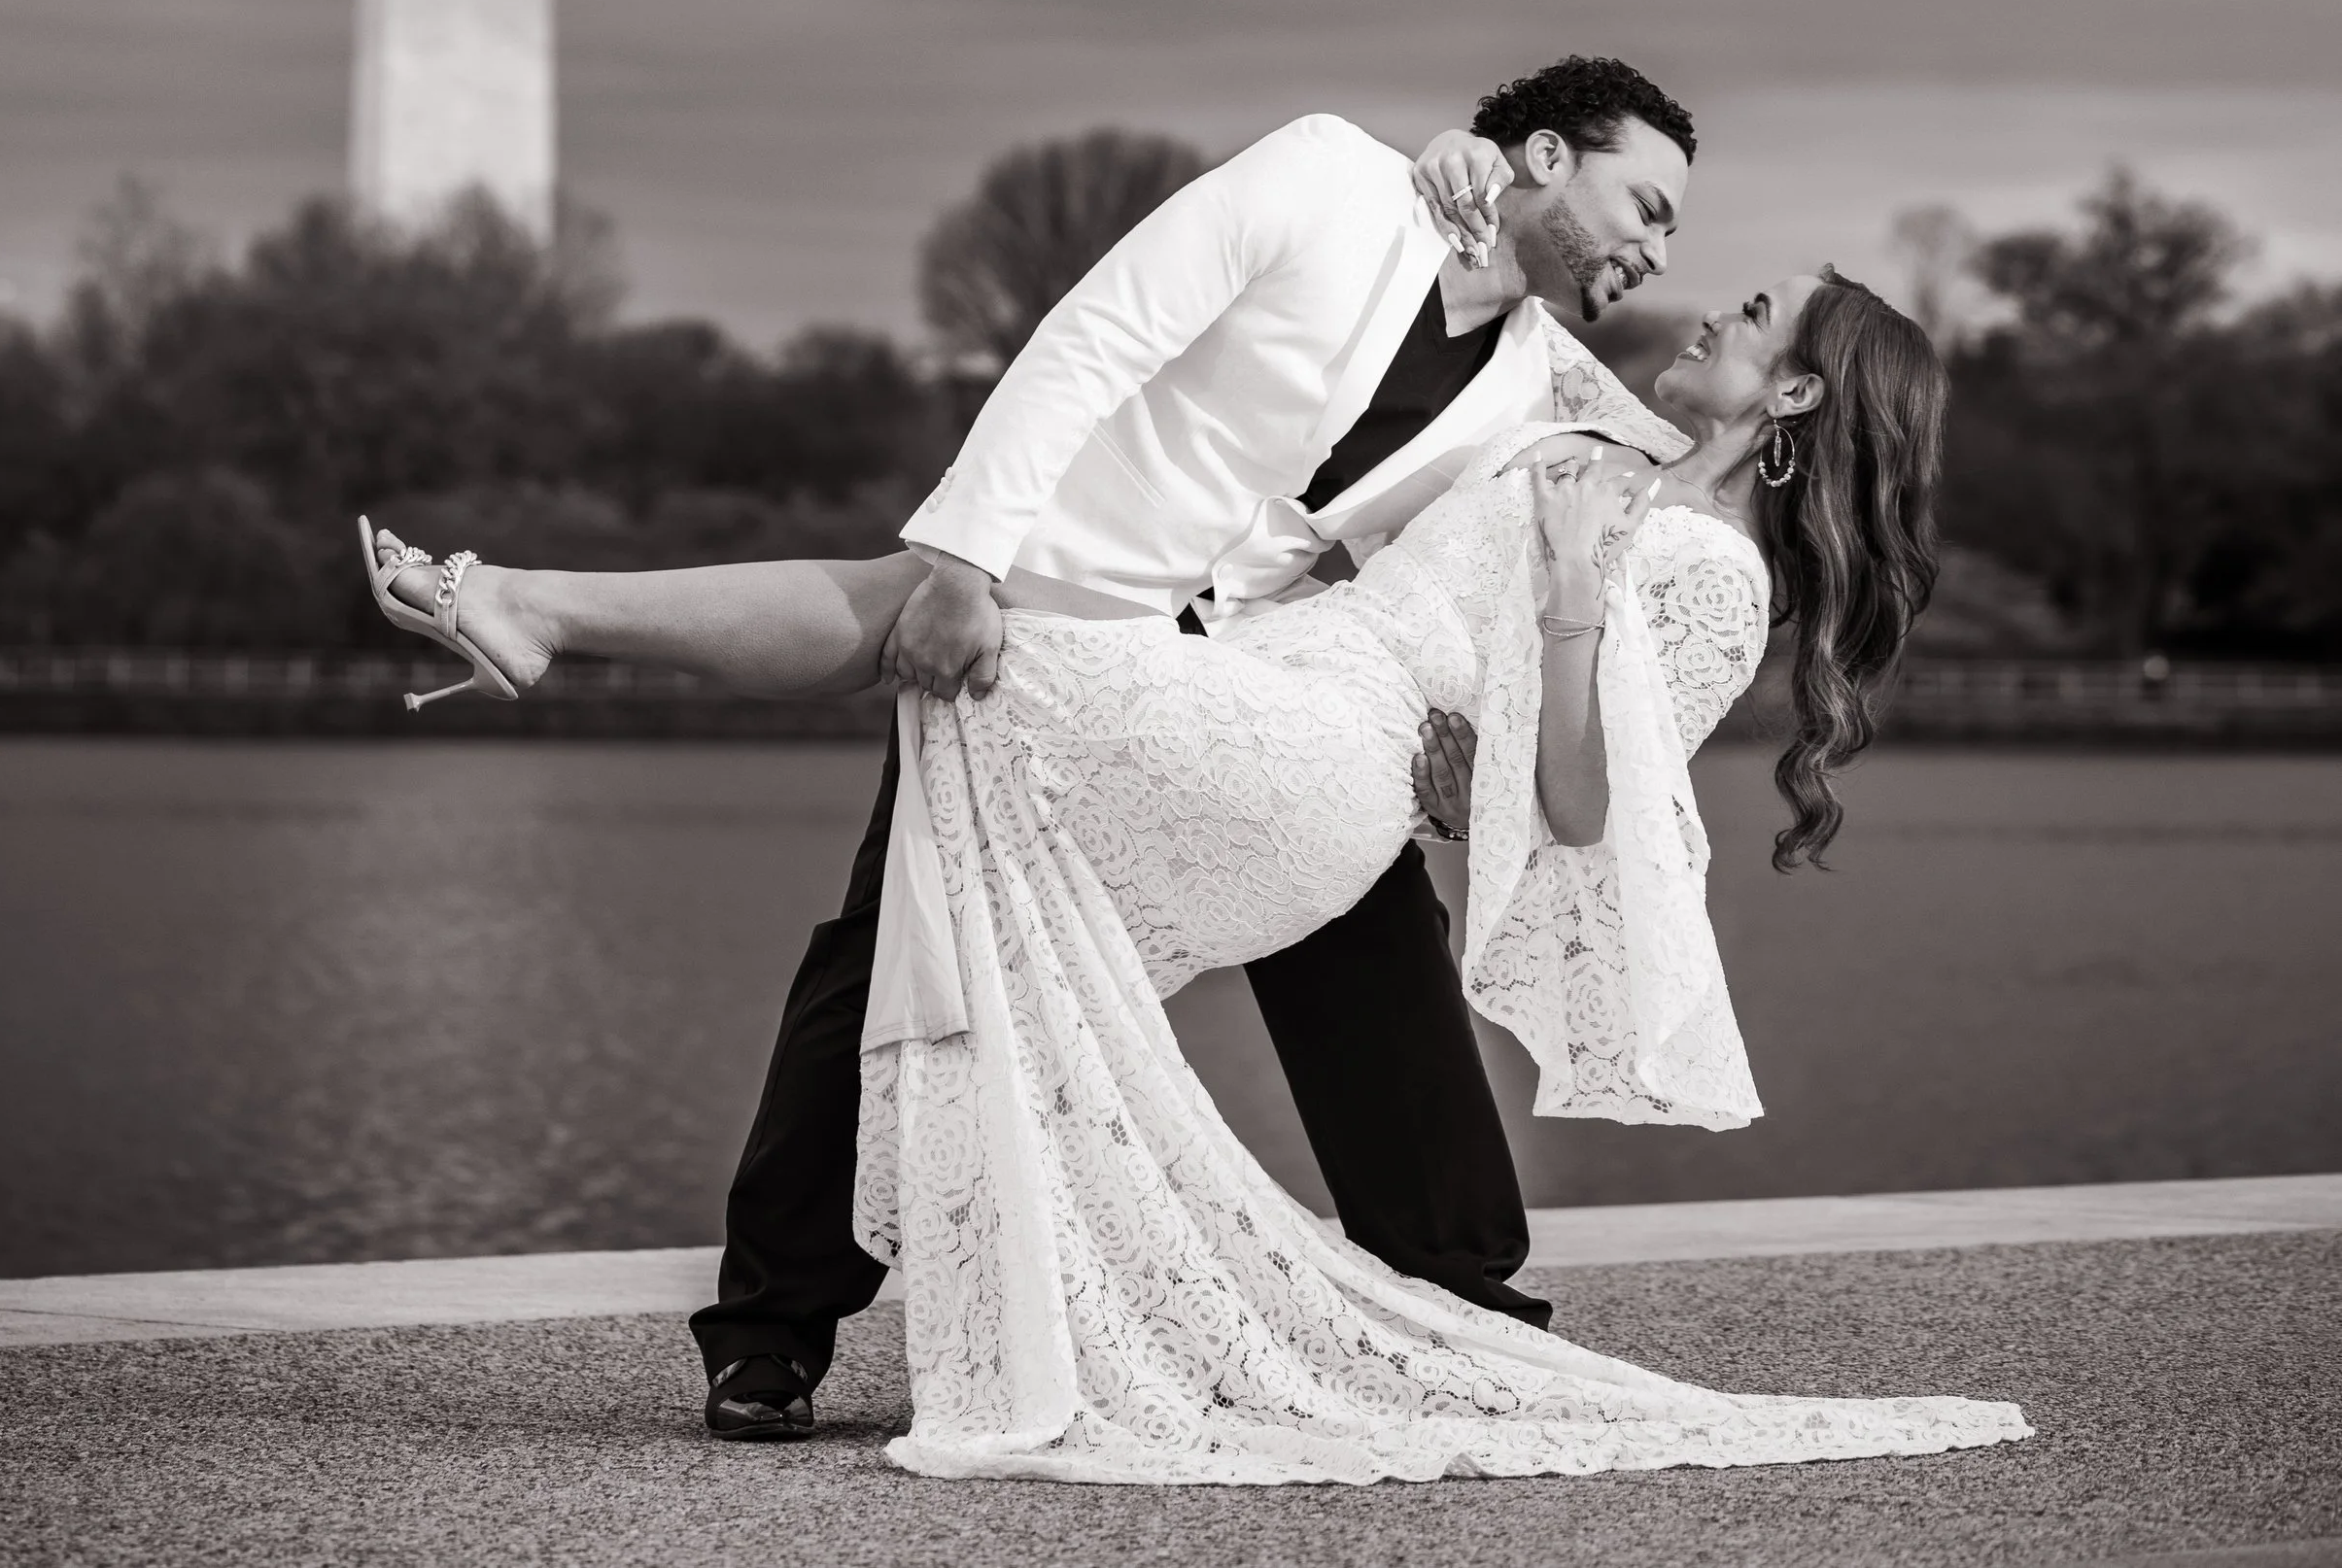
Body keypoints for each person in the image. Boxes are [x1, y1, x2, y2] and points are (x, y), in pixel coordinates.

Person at [362, 258, 2025, 1484]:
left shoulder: (1710, 574)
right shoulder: (1582, 434)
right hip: (1283, 697)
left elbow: (1582, 807)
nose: (1712, 300)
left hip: (1326, 765)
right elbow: (1425, 391)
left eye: (1755, 317)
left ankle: (540, 609)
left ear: (1797, 396)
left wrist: (1582, 594)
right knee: (936, 766)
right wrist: (1451, 186)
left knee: (954, 618)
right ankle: (795, 1300)